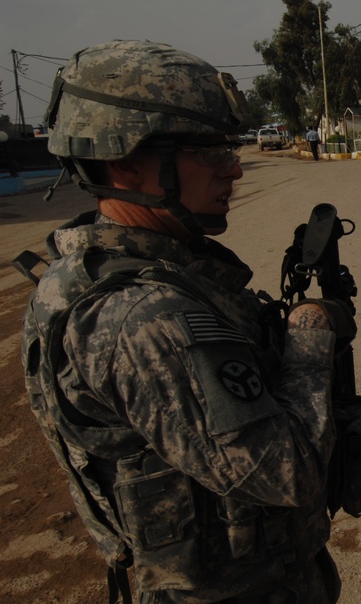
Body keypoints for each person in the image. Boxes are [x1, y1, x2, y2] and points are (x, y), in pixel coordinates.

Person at [20, 40, 343, 602]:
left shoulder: (91, 271)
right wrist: (311, 335)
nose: (235, 169)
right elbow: (287, 472)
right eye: (210, 153)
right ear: (126, 161)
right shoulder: (144, 316)